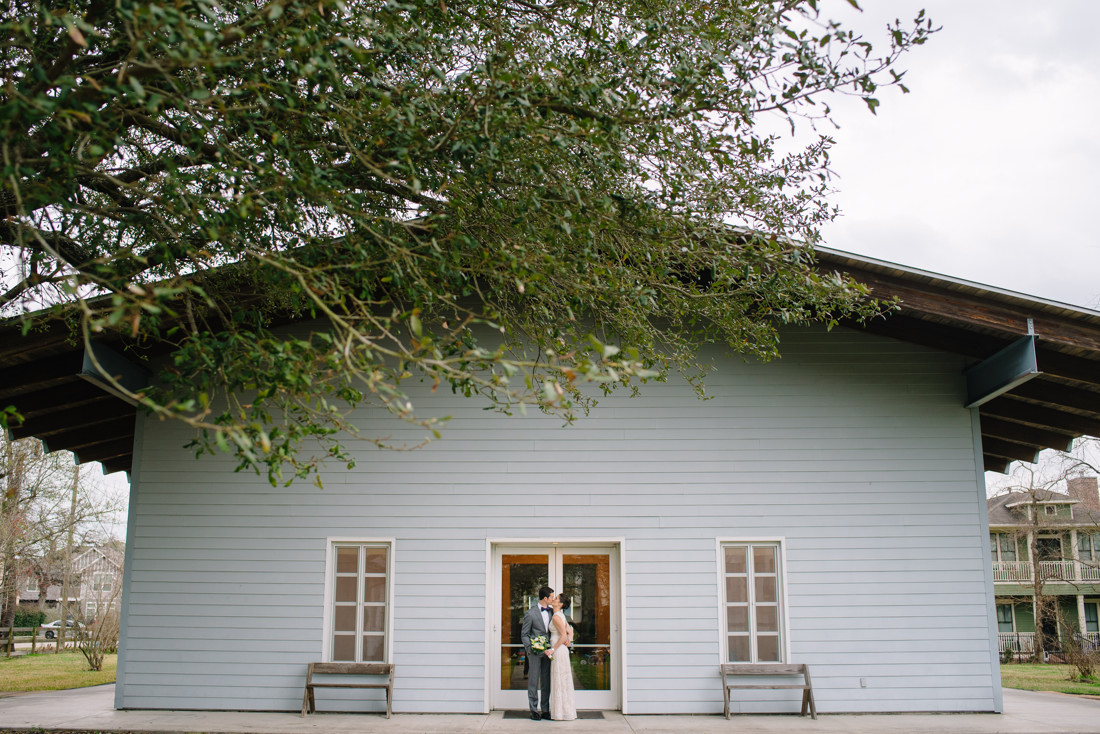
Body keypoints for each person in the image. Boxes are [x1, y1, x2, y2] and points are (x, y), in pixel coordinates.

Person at [520, 586, 554, 721]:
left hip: (548, 652)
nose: (553, 599)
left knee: (546, 681)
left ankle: (545, 710)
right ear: (545, 598)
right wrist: (529, 649)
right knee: (533, 681)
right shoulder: (530, 613)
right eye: (551, 597)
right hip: (534, 652)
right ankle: (533, 710)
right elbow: (524, 634)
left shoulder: (553, 612)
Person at [549, 593, 577, 721]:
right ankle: (565, 711)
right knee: (562, 679)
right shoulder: (561, 616)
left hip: (558, 650)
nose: (553, 599)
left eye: (555, 599)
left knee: (559, 679)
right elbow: (569, 632)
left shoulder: (556, 617)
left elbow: (563, 635)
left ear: (560, 604)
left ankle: (561, 712)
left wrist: (552, 649)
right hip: (562, 649)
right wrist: (569, 641)